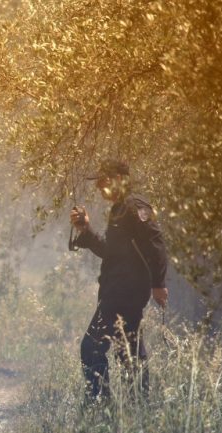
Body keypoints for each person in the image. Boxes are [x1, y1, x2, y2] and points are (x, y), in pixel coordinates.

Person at [70, 159, 168, 399]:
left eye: (103, 181)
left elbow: (156, 246)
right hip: (117, 294)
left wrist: (158, 284)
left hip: (125, 295)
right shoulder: (119, 210)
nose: (99, 187)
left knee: (92, 348)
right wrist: (86, 229)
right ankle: (137, 406)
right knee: (129, 351)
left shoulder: (135, 207)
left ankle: (100, 408)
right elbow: (109, 251)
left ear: (119, 181)